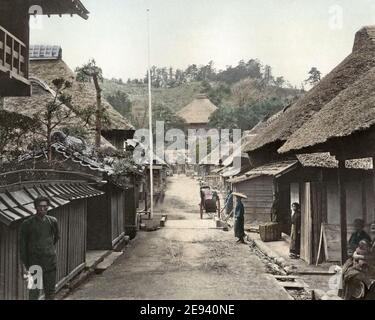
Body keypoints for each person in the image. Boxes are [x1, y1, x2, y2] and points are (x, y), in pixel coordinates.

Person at [19, 196, 60, 300]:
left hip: (50, 263)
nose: (43, 209)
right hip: (34, 264)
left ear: (48, 207)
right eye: (40, 206)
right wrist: (25, 266)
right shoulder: (27, 224)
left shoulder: (52, 221)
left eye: (45, 206)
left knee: (50, 292)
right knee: (34, 292)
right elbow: (23, 247)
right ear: (35, 207)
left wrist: (47, 249)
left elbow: (56, 238)